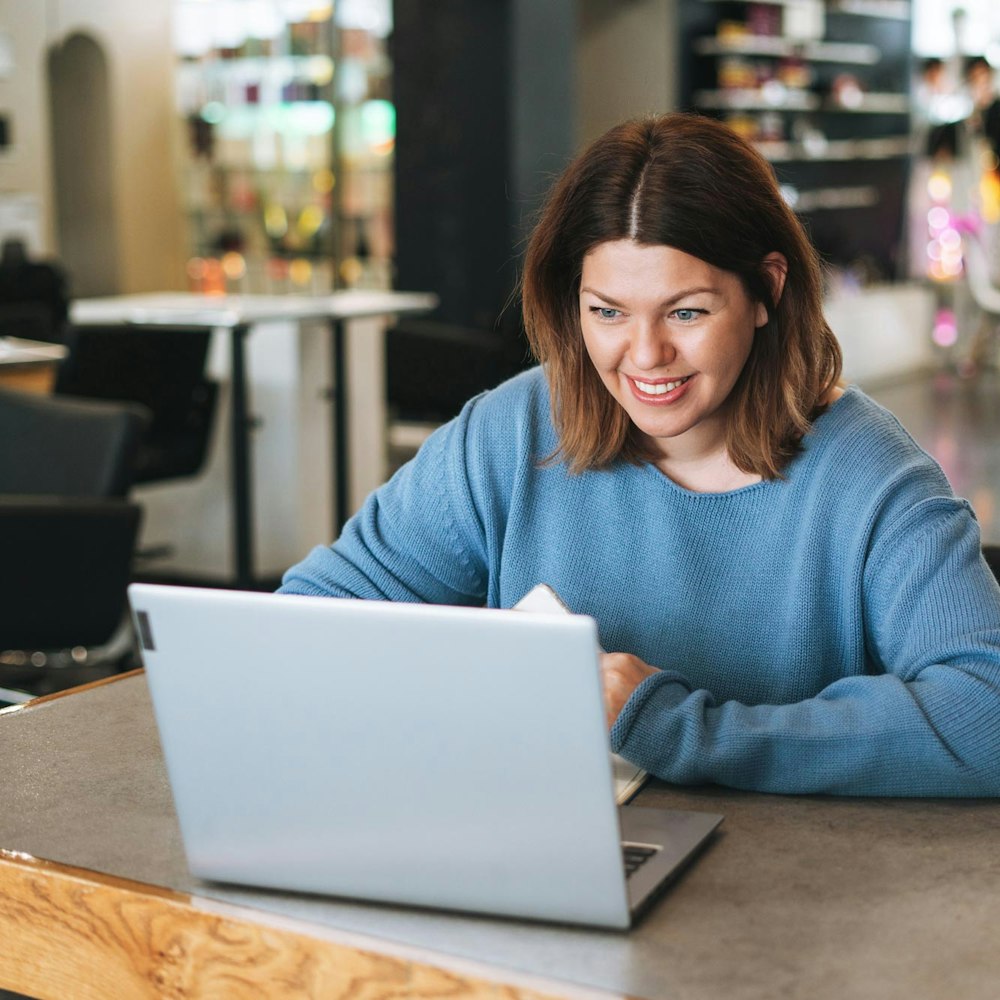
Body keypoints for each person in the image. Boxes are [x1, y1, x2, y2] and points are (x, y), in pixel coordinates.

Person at [281, 113, 1000, 797]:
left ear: (766, 291)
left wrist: (679, 729)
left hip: (796, 895)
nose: (646, 355)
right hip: (546, 859)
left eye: (686, 311)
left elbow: (987, 714)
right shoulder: (513, 431)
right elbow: (304, 627)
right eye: (608, 312)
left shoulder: (870, 474)